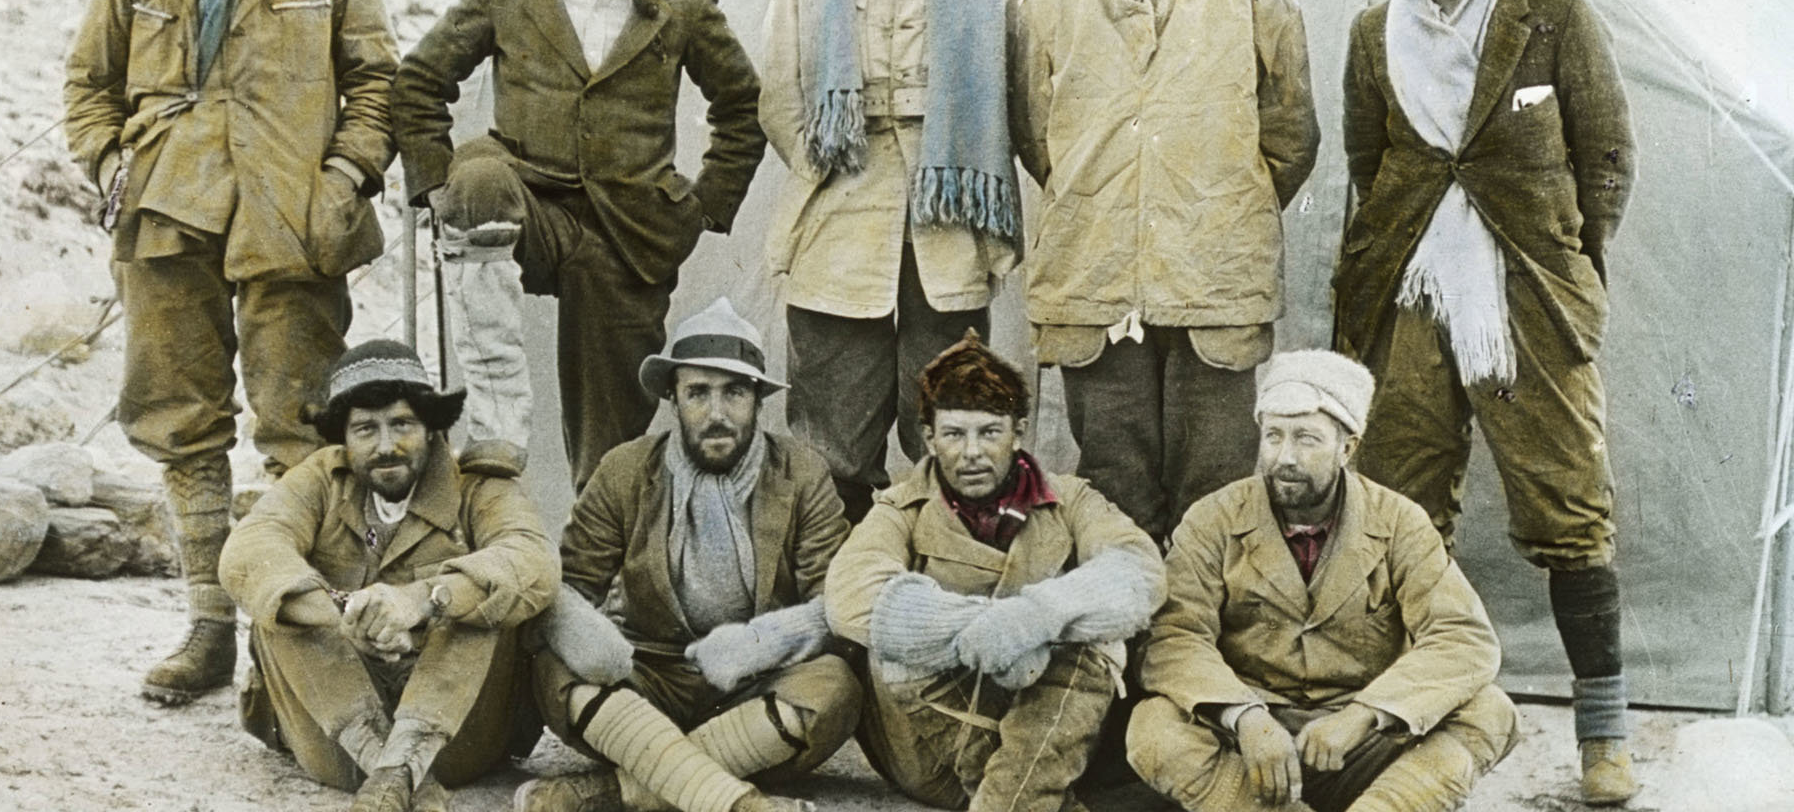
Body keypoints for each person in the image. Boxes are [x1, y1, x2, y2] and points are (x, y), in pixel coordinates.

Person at [61, 0, 397, 704]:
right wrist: (107, 160)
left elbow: (377, 81)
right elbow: (88, 87)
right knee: (181, 422)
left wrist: (343, 175)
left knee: (299, 426)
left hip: (294, 219)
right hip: (168, 214)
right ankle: (209, 628)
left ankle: (287, 645)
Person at [1331, 0, 1638, 804]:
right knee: (1403, 514)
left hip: (1528, 302)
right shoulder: (1373, 33)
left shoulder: (1552, 19)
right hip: (1411, 297)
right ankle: (1421, 716)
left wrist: (1567, 267)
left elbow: (1608, 158)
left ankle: (1604, 739)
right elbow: (1371, 167)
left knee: (1571, 506)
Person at [392, 0, 765, 488]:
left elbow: (742, 104)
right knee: (477, 180)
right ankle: (497, 417)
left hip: (630, 232)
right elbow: (419, 81)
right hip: (527, 204)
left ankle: (601, 568)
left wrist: (703, 205)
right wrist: (432, 191)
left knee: (611, 444)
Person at [1015, 0, 1319, 543]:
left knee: (1213, 486)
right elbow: (1037, 140)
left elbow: (1291, 139)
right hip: (1094, 279)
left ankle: (1200, 647)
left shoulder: (1257, 0)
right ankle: (1129, 650)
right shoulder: (1047, 9)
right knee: (1115, 481)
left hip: (1214, 281)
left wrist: (1213, 206)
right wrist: (1110, 205)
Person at [760, 0, 1036, 523]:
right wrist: (836, 166)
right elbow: (780, 93)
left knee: (951, 425)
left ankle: (942, 574)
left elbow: (1023, 91)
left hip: (951, 220)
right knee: (827, 437)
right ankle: (830, 595)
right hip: (839, 221)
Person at [1128, 350, 1519, 812]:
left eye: (1307, 439)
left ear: (1347, 448)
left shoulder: (1398, 522)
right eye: (1273, 436)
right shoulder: (1212, 520)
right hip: (1252, 750)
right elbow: (1175, 636)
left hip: (1361, 745)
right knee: (1152, 726)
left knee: (1490, 712)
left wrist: (1365, 715)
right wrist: (1245, 716)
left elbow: (1462, 637)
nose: (1284, 457)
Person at [514, 298, 860, 812]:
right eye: (698, 393)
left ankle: (610, 793)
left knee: (835, 686)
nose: (717, 414)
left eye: (735, 392)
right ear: (672, 399)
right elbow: (570, 585)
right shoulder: (626, 469)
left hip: (754, 683)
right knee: (555, 671)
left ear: (758, 400)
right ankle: (741, 804)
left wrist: (760, 644)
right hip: (648, 676)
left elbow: (835, 601)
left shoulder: (801, 473)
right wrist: (591, 640)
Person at [824, 332, 1163, 812]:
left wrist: (1038, 615)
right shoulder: (901, 508)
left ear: (1018, 432)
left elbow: (1139, 570)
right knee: (896, 638)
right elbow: (849, 595)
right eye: (954, 434)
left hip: (1034, 724)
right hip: (932, 745)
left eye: (989, 432)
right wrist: (984, 626)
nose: (972, 453)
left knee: (1094, 645)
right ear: (929, 438)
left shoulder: (1070, 500)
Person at [218, 340, 559, 812]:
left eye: (402, 424)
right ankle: (393, 777)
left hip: (453, 741)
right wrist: (346, 613)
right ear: (343, 437)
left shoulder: (478, 485)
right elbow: (249, 549)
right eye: (365, 429)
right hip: (337, 737)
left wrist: (422, 601)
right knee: (279, 603)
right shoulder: (320, 479)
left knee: (484, 602)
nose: (385, 446)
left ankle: (401, 772)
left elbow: (533, 559)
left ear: (430, 426)